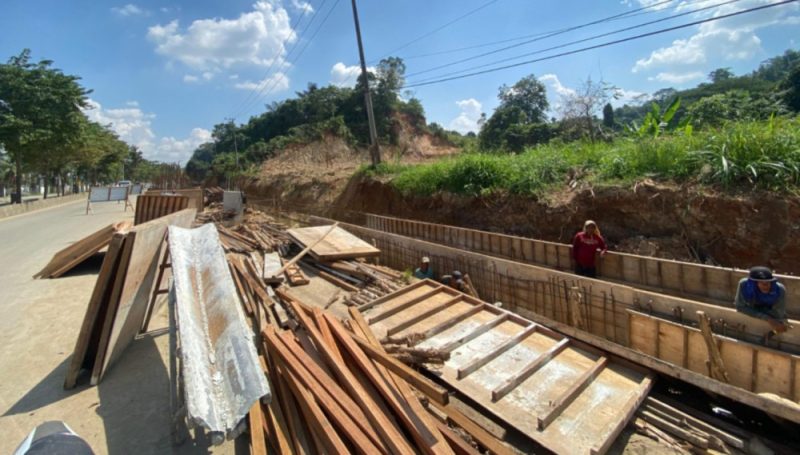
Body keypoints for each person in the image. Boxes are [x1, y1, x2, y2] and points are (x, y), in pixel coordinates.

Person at [734, 266, 789, 335]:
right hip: (753, 306)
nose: (766, 286)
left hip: (770, 310)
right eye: (762, 283)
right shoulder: (744, 285)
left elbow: (778, 314)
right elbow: (740, 306)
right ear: (753, 284)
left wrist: (776, 322)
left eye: (768, 282)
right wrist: (768, 319)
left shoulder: (779, 290)